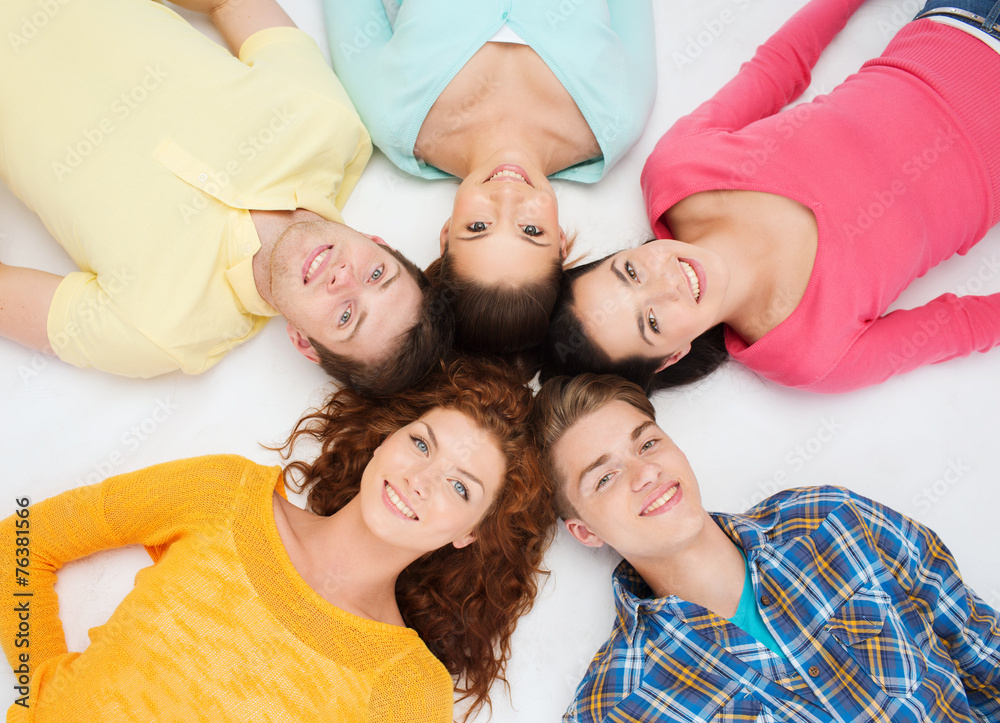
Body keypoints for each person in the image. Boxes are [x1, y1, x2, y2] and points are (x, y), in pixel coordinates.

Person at [0, 357, 553, 721]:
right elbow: (20, 542)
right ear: (385, 441)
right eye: (422, 445)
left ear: (469, 534)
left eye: (460, 486)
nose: (421, 479)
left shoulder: (406, 689)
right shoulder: (224, 492)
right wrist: (40, 684)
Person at [542, 0, 1000, 394]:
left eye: (631, 272)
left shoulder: (676, 172)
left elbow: (779, 67)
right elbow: (962, 325)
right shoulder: (810, 356)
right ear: (670, 358)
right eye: (653, 323)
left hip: (959, 19)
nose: (667, 283)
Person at [0, 0, 452, 395]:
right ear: (377, 240)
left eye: (346, 317)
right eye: (376, 273)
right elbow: (230, 4)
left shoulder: (160, 333)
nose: (343, 280)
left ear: (303, 343)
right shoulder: (330, 124)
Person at [531, 373, 1000, 722]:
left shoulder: (830, 520)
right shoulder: (615, 707)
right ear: (585, 532)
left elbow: (982, 651)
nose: (646, 473)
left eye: (648, 443)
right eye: (606, 477)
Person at [323, 0, 656, 356]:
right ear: (561, 242)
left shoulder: (394, 120)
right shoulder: (618, 118)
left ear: (446, 233)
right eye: (531, 230)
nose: (508, 197)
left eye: (478, 226)